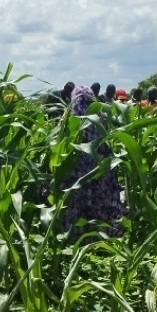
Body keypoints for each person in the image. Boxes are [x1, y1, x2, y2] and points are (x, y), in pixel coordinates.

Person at [61, 84, 125, 241]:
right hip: (98, 176)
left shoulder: (68, 120)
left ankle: (75, 234)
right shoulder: (99, 119)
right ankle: (102, 231)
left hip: (75, 180)